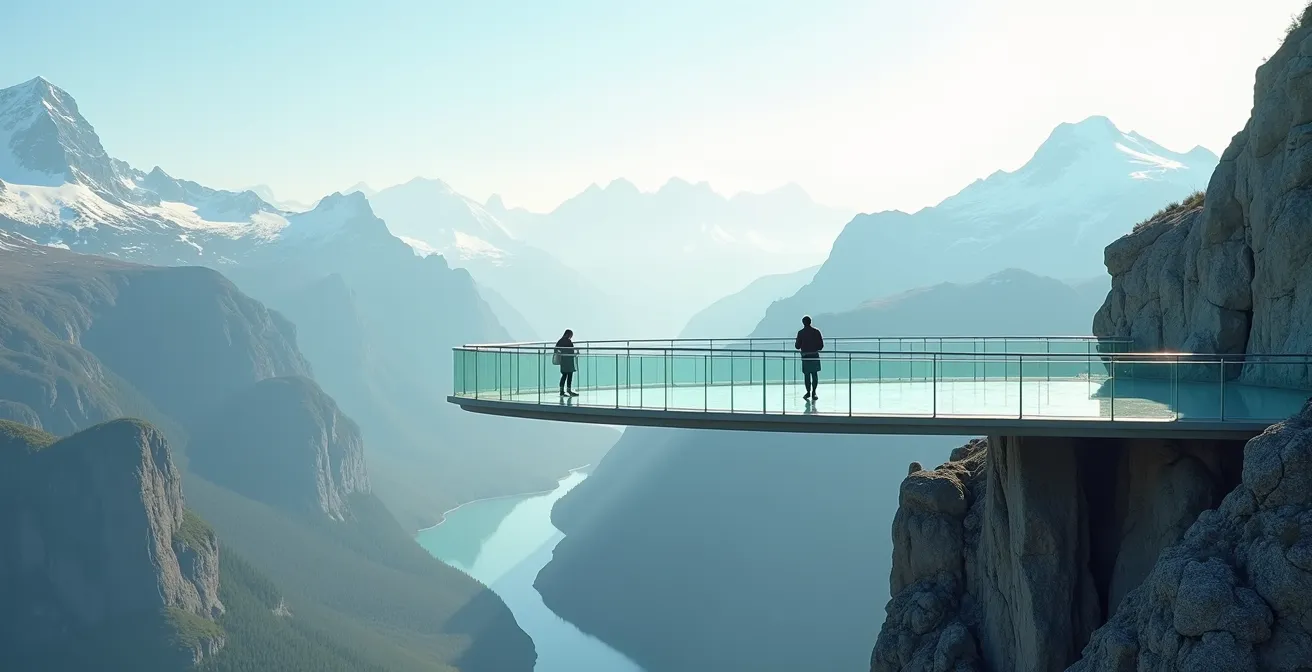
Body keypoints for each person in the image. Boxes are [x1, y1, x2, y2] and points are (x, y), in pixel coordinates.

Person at [794, 315, 824, 400]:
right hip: (814, 355)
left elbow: (797, 346)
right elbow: (821, 346)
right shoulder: (816, 332)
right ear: (810, 322)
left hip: (805, 356)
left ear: (803, 323)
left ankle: (808, 392)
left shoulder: (801, 333)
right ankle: (814, 392)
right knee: (814, 374)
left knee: (807, 375)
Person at [555, 329, 579, 396]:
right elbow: (571, 351)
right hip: (569, 361)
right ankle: (569, 390)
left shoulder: (560, 341)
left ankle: (562, 391)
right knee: (569, 376)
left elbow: (556, 350)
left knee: (564, 375)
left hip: (563, 361)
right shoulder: (568, 341)